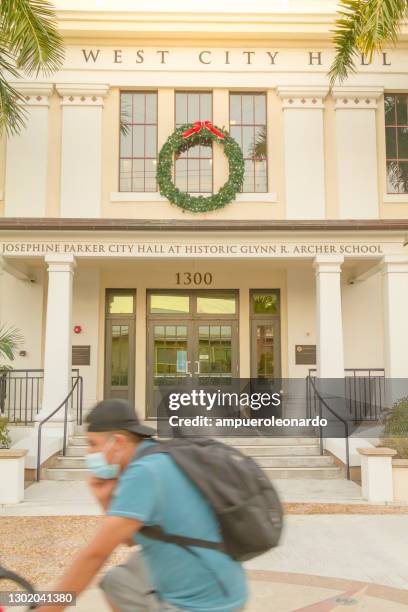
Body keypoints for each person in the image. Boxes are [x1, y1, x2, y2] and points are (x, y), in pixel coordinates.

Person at [35, 399, 248, 612]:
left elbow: (95, 556)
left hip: (205, 605)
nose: (89, 454)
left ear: (117, 442)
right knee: (117, 581)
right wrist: (105, 499)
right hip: (225, 586)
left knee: (120, 577)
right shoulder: (156, 453)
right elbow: (129, 539)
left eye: (93, 444)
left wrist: (48, 608)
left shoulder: (144, 473)